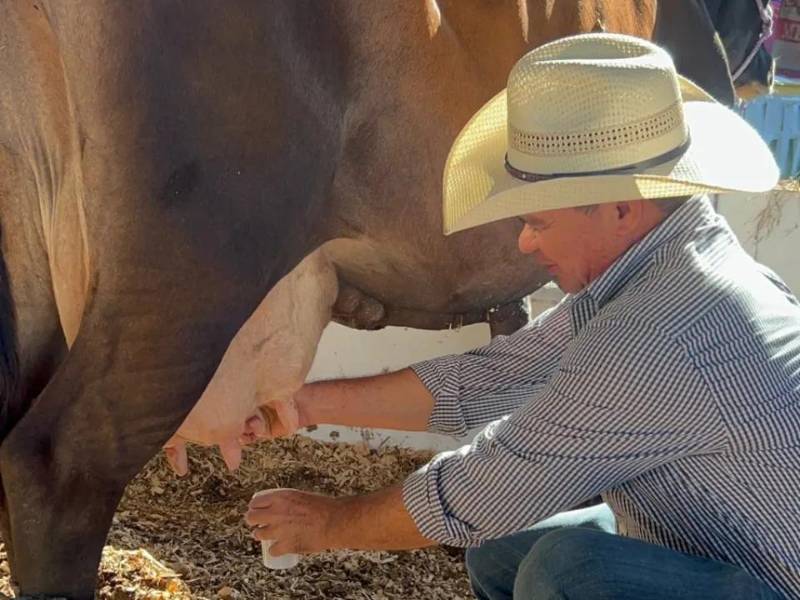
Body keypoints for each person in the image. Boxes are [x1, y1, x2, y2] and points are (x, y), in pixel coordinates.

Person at [245, 33, 799, 599]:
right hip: (711, 547)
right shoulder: (669, 265)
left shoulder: (659, 332)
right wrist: (301, 405)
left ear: (622, 210)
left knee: (564, 571)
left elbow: (485, 491)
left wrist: (328, 525)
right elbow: (490, 380)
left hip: (773, 580)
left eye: (540, 223)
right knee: (503, 552)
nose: (528, 245)